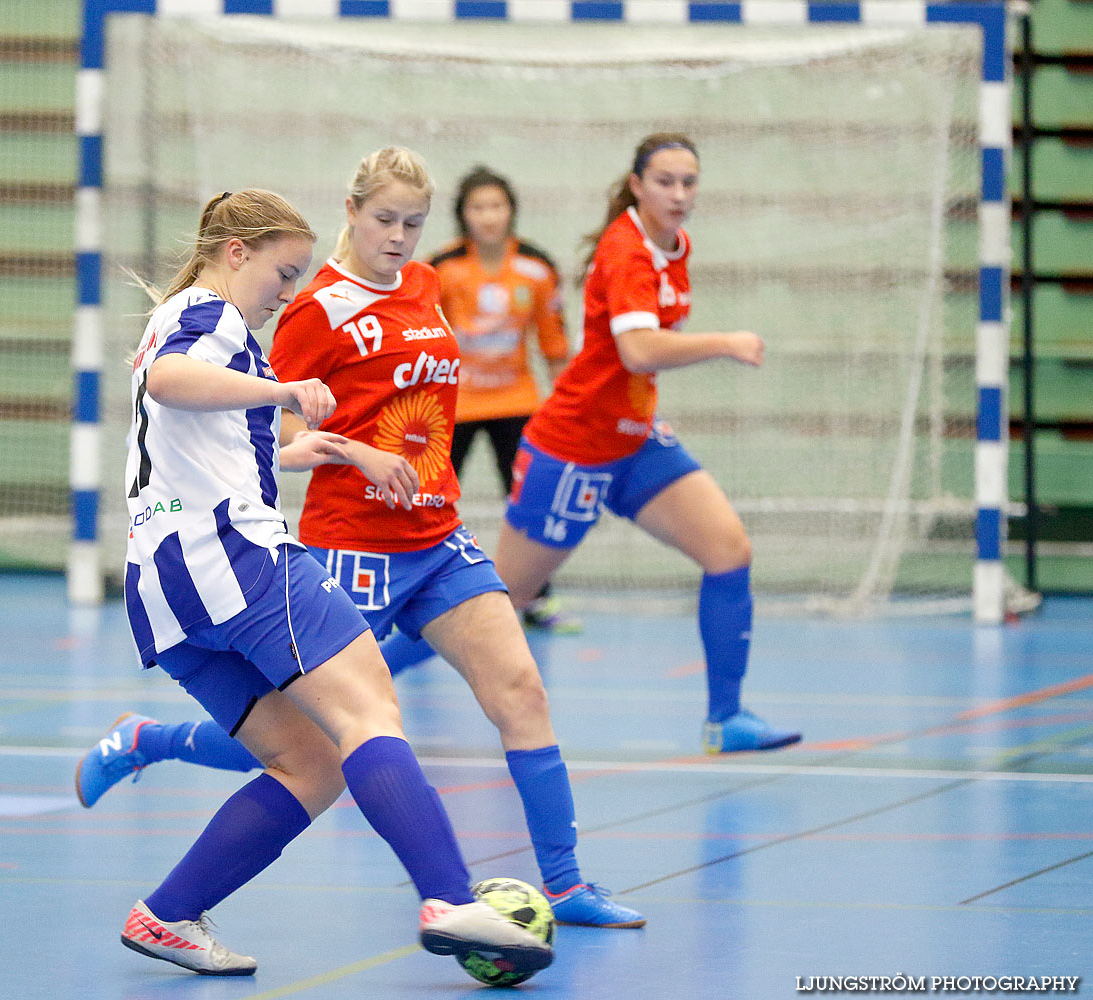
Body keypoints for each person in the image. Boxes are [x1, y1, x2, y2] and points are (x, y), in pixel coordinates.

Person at [81, 150, 645, 930]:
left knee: (317, 760)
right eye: (281, 274)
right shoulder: (218, 317)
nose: (286, 292)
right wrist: (285, 395)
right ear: (242, 251)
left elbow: (217, 435)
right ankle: (449, 901)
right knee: (363, 720)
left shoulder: (368, 296)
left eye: (416, 222)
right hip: (270, 554)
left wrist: (322, 445)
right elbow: (179, 383)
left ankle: (168, 914)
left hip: (318, 551)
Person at [492, 133, 801, 755]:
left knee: (728, 550)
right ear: (636, 184)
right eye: (665, 181)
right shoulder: (627, 250)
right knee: (493, 604)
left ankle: (726, 719)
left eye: (690, 182)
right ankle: (339, 696)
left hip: (633, 440)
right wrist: (726, 342)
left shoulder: (673, 244)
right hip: (574, 446)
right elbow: (638, 350)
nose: (680, 195)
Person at [375, 166, 574, 678]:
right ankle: (405, 596)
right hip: (451, 405)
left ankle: (535, 597)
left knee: (528, 496)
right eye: (478, 207)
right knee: (427, 497)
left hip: (517, 402)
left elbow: (554, 346)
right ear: (463, 214)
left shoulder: (536, 268)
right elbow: (414, 338)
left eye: (497, 206)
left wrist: (566, 406)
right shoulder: (439, 270)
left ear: (511, 211)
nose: (489, 216)